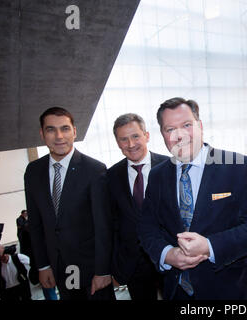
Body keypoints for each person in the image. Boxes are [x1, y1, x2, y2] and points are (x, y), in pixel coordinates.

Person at [137, 97, 247, 300]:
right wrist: (167, 254)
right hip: (176, 292)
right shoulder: (157, 176)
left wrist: (210, 247)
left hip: (229, 292)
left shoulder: (237, 166)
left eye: (186, 125)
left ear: (200, 126)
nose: (179, 135)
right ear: (162, 135)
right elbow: (147, 227)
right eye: (170, 129)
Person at [24, 107, 114, 300]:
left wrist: (103, 271)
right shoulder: (33, 171)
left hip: (92, 270)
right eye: (51, 129)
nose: (59, 136)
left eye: (65, 128)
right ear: (42, 134)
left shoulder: (94, 170)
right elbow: (36, 224)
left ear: (74, 131)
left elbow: (103, 226)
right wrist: (43, 265)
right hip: (60, 269)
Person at [107, 113, 169, 300]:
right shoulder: (110, 177)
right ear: (118, 143)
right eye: (124, 139)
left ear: (146, 136)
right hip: (133, 265)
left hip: (170, 258)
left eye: (135, 136)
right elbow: (111, 224)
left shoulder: (171, 166)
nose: (131, 144)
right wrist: (115, 266)